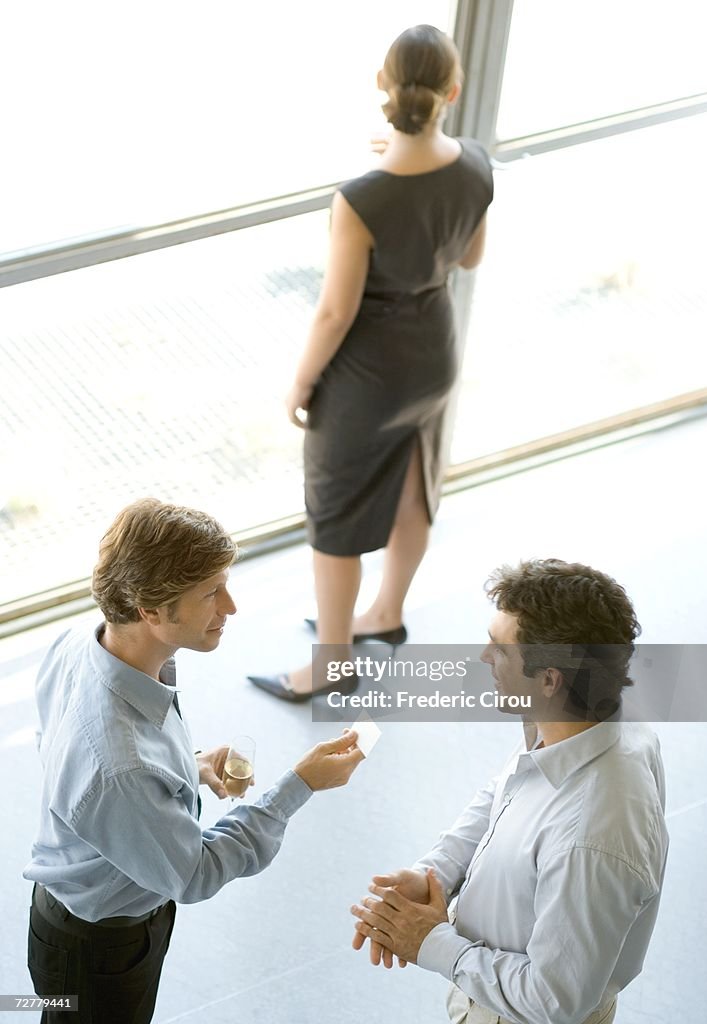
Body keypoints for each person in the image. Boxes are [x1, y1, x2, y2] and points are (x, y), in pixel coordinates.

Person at [24, 498, 364, 1024]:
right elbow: (194, 874)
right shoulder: (123, 766)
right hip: (100, 953)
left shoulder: (78, 644)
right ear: (151, 610)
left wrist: (189, 768)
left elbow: (80, 762)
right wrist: (301, 784)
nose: (230, 606)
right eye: (210, 593)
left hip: (69, 917)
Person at [248, 24, 493, 701]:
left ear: (382, 86)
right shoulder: (475, 163)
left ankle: (332, 664)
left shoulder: (359, 198)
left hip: (367, 379)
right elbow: (468, 257)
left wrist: (301, 382)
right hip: (432, 357)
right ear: (454, 90)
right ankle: (385, 615)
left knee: (336, 517)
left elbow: (335, 312)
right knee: (414, 486)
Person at [350, 559, 669, 1024]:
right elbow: (506, 792)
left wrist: (431, 942)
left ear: (549, 679)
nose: (483, 657)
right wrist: (437, 874)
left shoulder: (591, 836)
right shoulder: (583, 724)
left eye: (499, 648)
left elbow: (553, 1001)